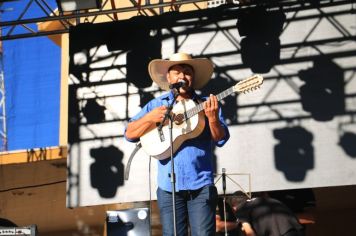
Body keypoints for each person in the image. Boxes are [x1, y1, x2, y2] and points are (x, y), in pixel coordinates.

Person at [125, 52, 230, 236]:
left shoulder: (206, 104)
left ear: (193, 77)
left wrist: (212, 119)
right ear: (168, 77)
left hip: (200, 185)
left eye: (187, 72)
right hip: (168, 188)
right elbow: (130, 134)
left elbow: (220, 138)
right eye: (177, 72)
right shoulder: (156, 105)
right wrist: (149, 118)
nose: (182, 76)